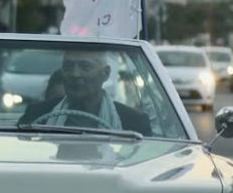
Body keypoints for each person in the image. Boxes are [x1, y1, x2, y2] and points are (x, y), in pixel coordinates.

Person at [19, 49, 150, 134]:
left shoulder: (134, 122)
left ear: (105, 73)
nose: (75, 74)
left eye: (85, 67)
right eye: (69, 67)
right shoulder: (37, 115)